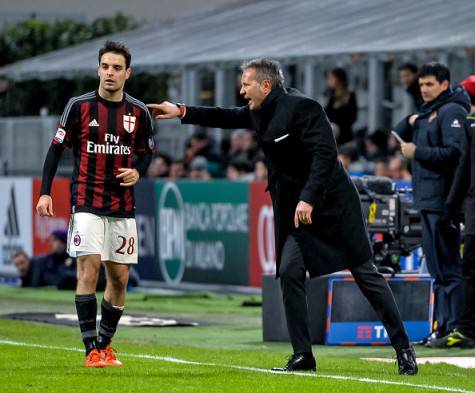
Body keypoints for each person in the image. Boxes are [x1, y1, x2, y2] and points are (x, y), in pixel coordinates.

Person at [148, 58, 417, 375]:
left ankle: (404, 349)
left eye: (246, 83)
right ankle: (303, 356)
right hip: (296, 212)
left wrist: (309, 199)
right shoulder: (258, 111)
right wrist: (181, 110)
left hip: (333, 207)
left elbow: (325, 157)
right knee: (289, 272)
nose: (242, 89)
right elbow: (226, 116)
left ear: (266, 85)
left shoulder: (304, 108)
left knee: (366, 275)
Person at [36, 40, 155, 368]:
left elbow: (146, 152)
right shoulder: (78, 106)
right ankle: (90, 349)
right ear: (98, 69)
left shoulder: (139, 112)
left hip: (122, 206)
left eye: (117, 68)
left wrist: (137, 172)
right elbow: (56, 150)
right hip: (86, 201)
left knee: (119, 278)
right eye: (105, 67)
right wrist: (46, 192)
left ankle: (104, 345)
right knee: (87, 268)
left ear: (127, 73)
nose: (110, 73)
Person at [395, 62, 470, 342]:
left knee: (448, 268)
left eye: (429, 85)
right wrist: (415, 119)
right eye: (421, 85)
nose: (424, 90)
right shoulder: (429, 111)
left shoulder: (452, 111)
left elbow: (455, 153)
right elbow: (397, 130)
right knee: (438, 270)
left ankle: (453, 328)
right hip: (428, 199)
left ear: (444, 83)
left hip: (442, 200)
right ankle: (441, 326)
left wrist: (418, 151)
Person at [430, 75, 475, 348]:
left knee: (469, 270)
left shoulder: (470, 127)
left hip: (473, 213)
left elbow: (463, 168)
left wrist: (450, 203)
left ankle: (467, 330)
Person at [324, 68, 358, 145]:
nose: (329, 81)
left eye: (331, 78)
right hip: (333, 136)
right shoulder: (332, 95)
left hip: (344, 137)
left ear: (338, 79)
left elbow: (352, 117)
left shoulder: (349, 95)